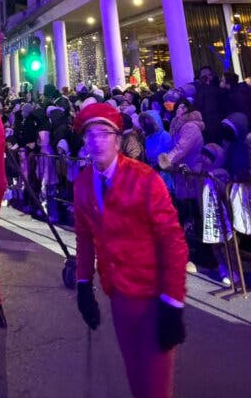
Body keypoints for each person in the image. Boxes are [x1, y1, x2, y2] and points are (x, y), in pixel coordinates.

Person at [73, 102, 188, 398]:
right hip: (119, 296)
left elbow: (172, 241)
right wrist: (83, 283)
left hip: (154, 297)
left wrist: (173, 302)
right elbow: (84, 237)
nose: (97, 141)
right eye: (90, 135)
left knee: (156, 388)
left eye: (104, 134)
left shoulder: (145, 179)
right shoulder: (83, 183)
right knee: (136, 379)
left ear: (118, 140)